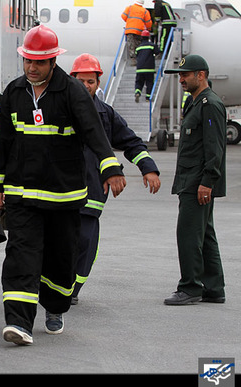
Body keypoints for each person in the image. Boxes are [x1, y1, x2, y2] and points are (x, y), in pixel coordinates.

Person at [0, 25, 126, 345]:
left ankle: (55, 306)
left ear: (53, 61)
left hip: (63, 196)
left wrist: (110, 168)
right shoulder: (14, 92)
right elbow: (4, 141)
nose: (32, 68)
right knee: (21, 256)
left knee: (60, 258)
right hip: (22, 194)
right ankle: (19, 323)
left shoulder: (72, 92)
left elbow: (94, 132)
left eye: (39, 62)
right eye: (28, 61)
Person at [70, 53, 161, 305]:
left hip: (91, 196)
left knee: (86, 244)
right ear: (71, 80)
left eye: (91, 81)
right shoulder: (58, 111)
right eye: (81, 81)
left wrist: (148, 168)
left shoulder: (106, 114)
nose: (86, 86)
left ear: (98, 83)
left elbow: (132, 143)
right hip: (58, 194)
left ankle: (73, 290)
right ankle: (54, 287)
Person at [163, 55, 226, 305]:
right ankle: (213, 287)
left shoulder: (209, 104)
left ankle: (190, 287)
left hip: (197, 182)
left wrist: (207, 181)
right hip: (192, 180)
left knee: (188, 234)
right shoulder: (195, 102)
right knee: (205, 234)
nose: (181, 79)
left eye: (185, 75)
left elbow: (215, 148)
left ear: (201, 75)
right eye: (180, 75)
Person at [121, 0, 153, 64]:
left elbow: (123, 16)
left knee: (131, 45)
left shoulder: (129, 8)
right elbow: (148, 22)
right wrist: (148, 29)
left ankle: (133, 59)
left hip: (130, 30)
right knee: (139, 45)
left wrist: (129, 21)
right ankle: (140, 58)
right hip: (139, 31)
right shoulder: (145, 11)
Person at [135, 30, 160, 102]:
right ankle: (147, 98)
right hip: (149, 68)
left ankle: (137, 92)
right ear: (148, 37)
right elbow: (157, 52)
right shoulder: (151, 45)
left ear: (141, 37)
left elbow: (136, 55)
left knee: (139, 82)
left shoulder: (138, 47)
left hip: (139, 68)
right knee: (149, 83)